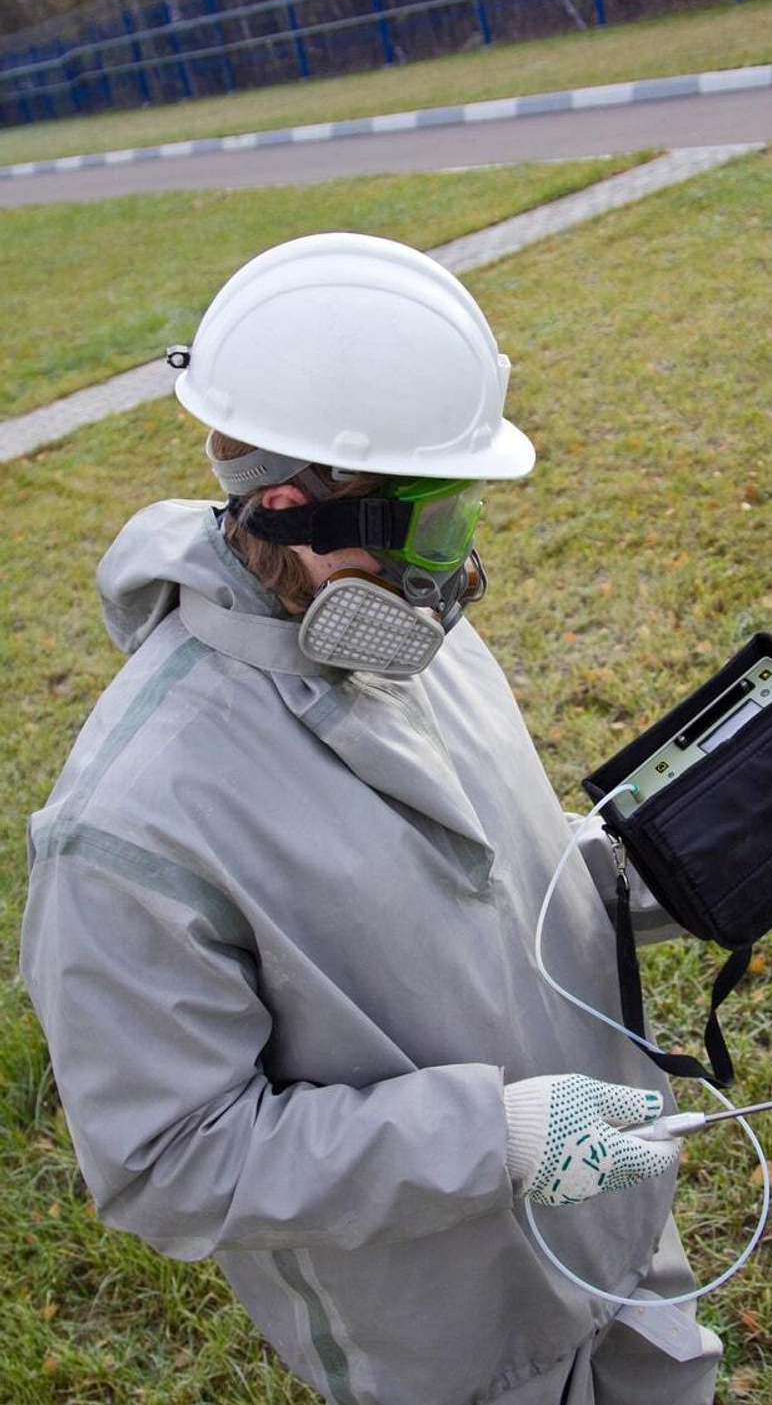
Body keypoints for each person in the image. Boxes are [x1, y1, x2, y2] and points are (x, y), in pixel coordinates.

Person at [19, 234, 722, 1405]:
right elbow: (167, 1161)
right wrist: (488, 1140)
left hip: (609, 1232)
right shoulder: (134, 823)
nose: (463, 579)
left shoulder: (399, 636)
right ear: (295, 511)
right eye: (439, 527)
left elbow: (478, 876)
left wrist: (646, 869)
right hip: (448, 1336)